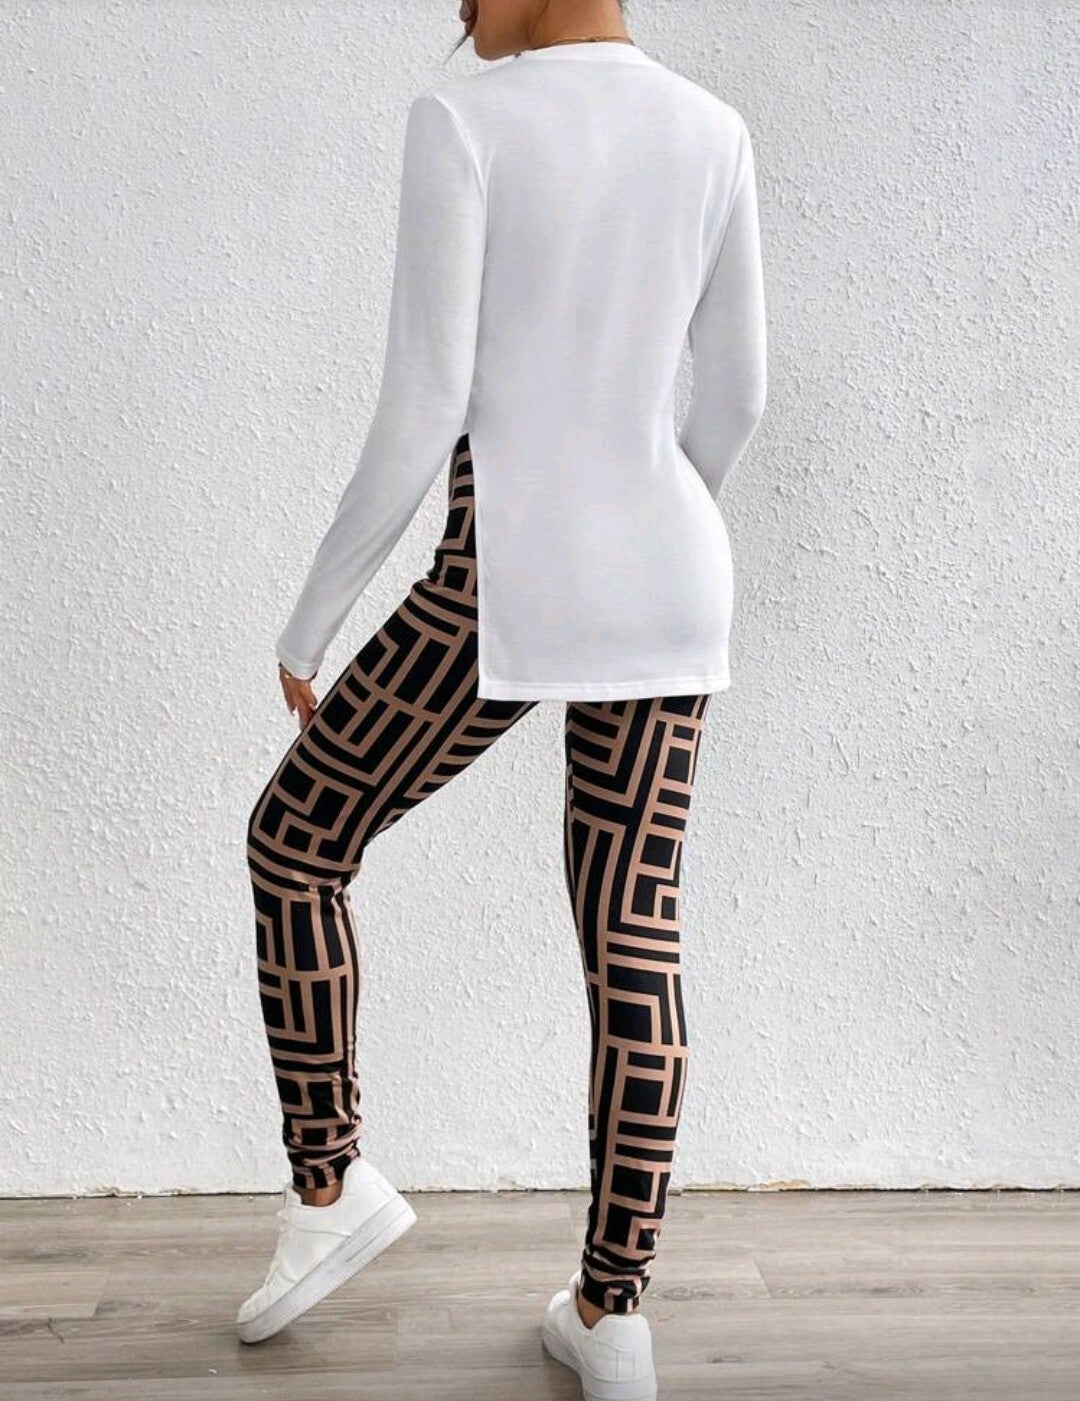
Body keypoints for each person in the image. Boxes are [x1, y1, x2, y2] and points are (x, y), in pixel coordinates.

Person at [239, 2, 767, 1398]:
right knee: (634, 930)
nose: (457, 8)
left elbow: (425, 403)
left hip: (506, 573)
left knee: (296, 840)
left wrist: (310, 619)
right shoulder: (713, 131)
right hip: (674, 581)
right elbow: (739, 398)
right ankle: (612, 1312)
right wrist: (643, 530)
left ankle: (331, 1182)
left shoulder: (464, 120)